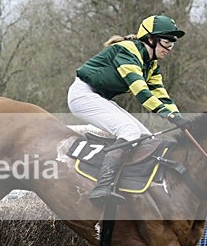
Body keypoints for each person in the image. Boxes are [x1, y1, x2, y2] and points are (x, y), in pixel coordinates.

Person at [68, 14, 190, 206]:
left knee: (147, 138)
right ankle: (102, 186)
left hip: (99, 98)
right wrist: (170, 115)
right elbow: (140, 91)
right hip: (82, 95)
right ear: (151, 39)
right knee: (130, 132)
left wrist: (181, 120)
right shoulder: (127, 51)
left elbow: (161, 95)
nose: (169, 49)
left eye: (172, 44)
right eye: (167, 42)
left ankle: (127, 187)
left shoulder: (151, 65)